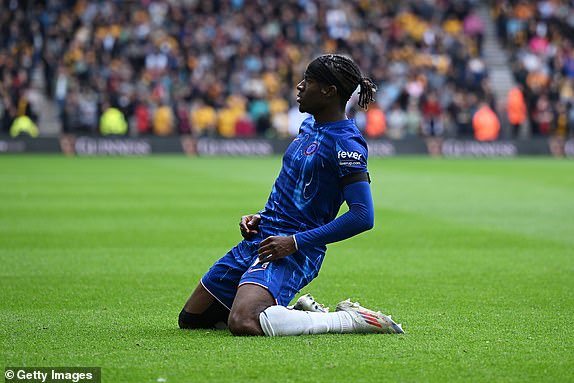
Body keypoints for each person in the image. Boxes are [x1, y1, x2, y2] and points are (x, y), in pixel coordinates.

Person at [178, 54, 404, 336]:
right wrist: (261, 217)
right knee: (192, 318)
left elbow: (363, 216)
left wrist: (295, 242)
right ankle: (292, 314)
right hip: (265, 237)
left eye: (307, 81)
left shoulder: (347, 143)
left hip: (295, 249)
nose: (298, 86)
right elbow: (299, 188)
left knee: (243, 321)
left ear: (329, 91)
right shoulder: (309, 125)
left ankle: (347, 320)